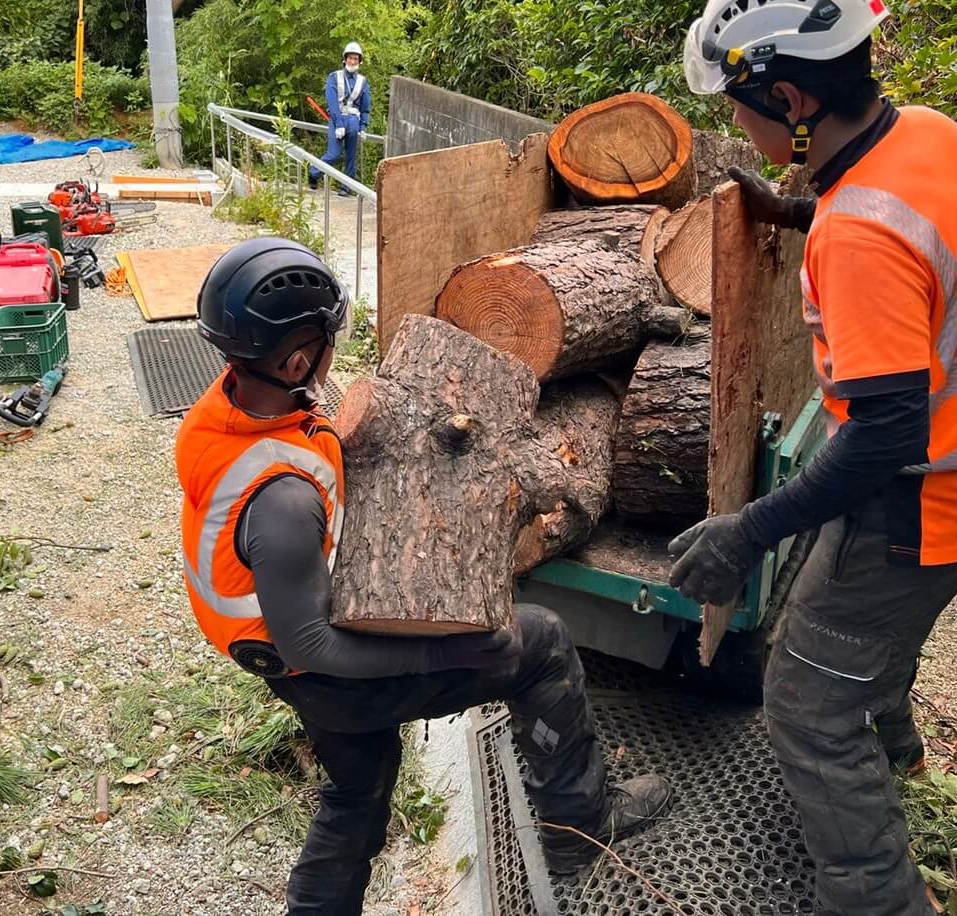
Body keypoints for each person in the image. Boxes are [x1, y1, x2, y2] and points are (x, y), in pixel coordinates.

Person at [670, 0, 957, 915]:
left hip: (920, 501)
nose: (727, 120)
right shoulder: (931, 136)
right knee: (859, 636)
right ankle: (898, 745)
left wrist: (746, 530)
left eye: (737, 100)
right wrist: (785, 207)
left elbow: (876, 442)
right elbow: (896, 219)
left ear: (789, 100)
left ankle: (873, 892)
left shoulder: (860, 233)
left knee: (804, 701)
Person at [176, 237, 670, 915]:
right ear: (295, 358)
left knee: (357, 796)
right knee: (543, 642)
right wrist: (451, 647)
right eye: (324, 343)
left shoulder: (234, 407)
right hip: (323, 674)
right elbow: (311, 646)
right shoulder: (282, 502)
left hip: (299, 667)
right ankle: (580, 828)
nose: (329, 356)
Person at [312, 42, 371, 194]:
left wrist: (363, 127)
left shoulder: (363, 82)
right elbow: (331, 102)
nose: (353, 61)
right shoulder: (334, 77)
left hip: (353, 121)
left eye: (356, 59)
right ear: (345, 59)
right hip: (337, 119)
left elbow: (365, 107)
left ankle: (346, 187)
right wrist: (338, 123)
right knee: (334, 154)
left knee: (351, 156)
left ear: (359, 61)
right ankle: (313, 173)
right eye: (350, 58)